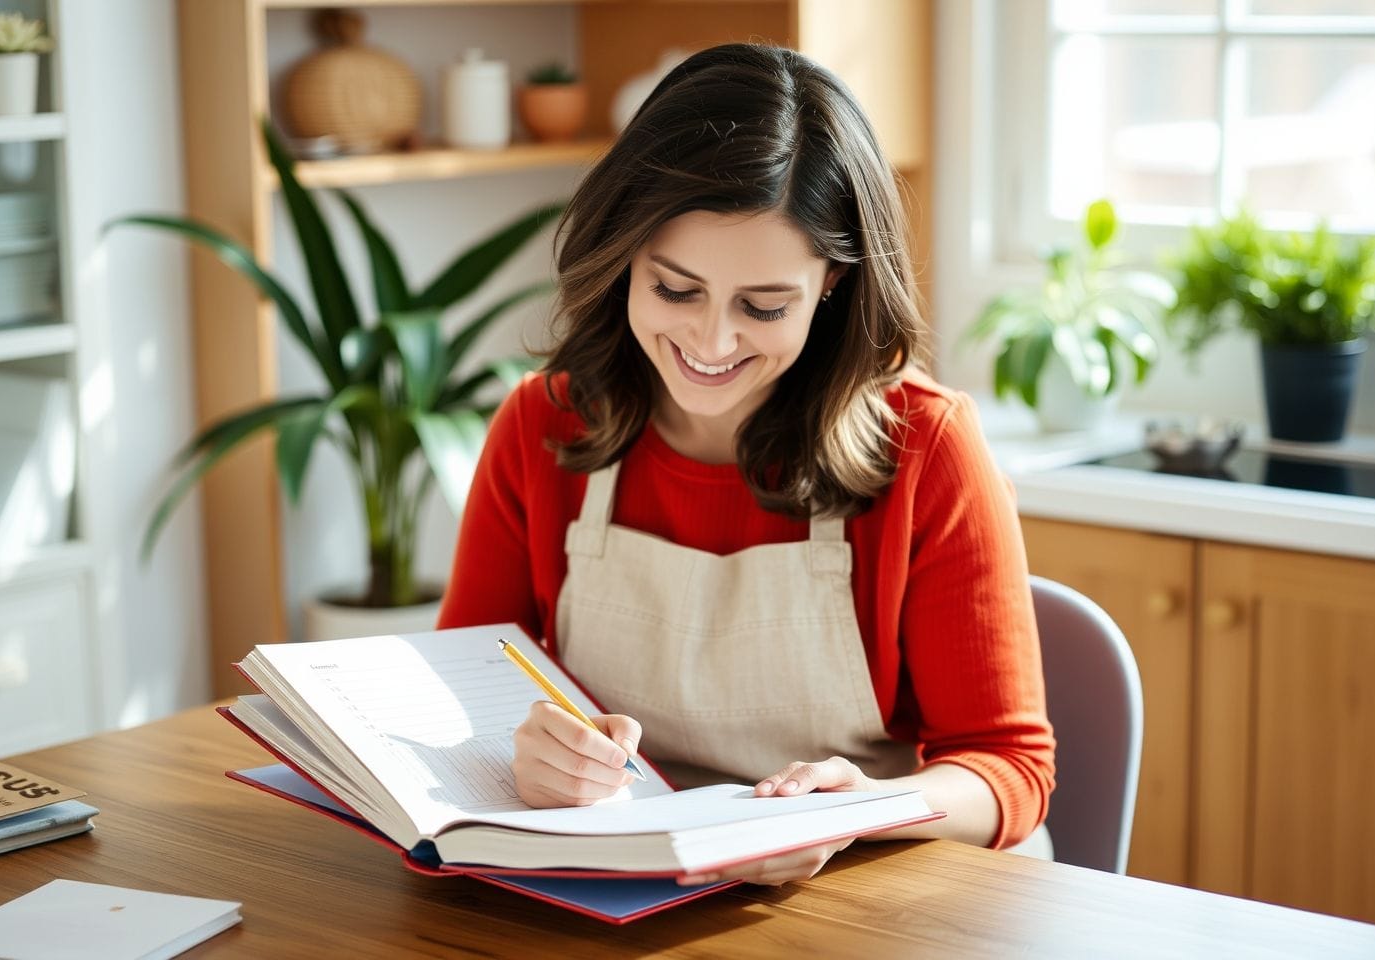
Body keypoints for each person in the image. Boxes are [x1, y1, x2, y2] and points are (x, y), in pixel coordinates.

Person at [439, 43, 1054, 887]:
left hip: (857, 892)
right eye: (675, 290)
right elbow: (463, 694)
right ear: (623, 255)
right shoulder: (543, 425)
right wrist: (526, 754)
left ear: (833, 281)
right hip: (621, 888)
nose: (710, 343)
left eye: (763, 306)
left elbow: (1008, 765)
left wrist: (858, 809)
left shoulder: (928, 447)